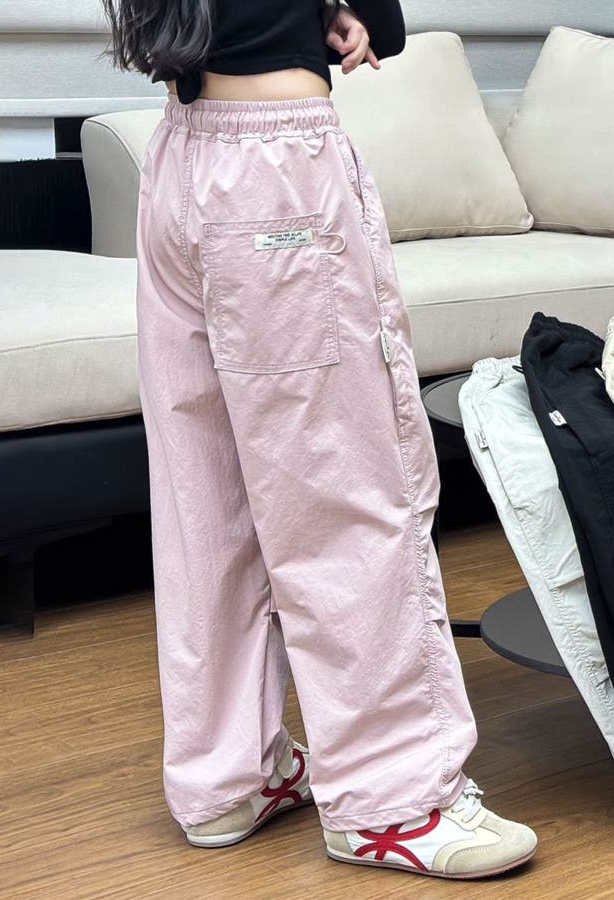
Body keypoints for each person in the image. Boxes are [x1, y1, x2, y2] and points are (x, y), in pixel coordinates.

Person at [104, 0, 538, 880]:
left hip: (183, 159)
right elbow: (383, 23)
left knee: (206, 500)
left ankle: (227, 778)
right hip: (277, 172)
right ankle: (394, 801)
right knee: (348, 499)